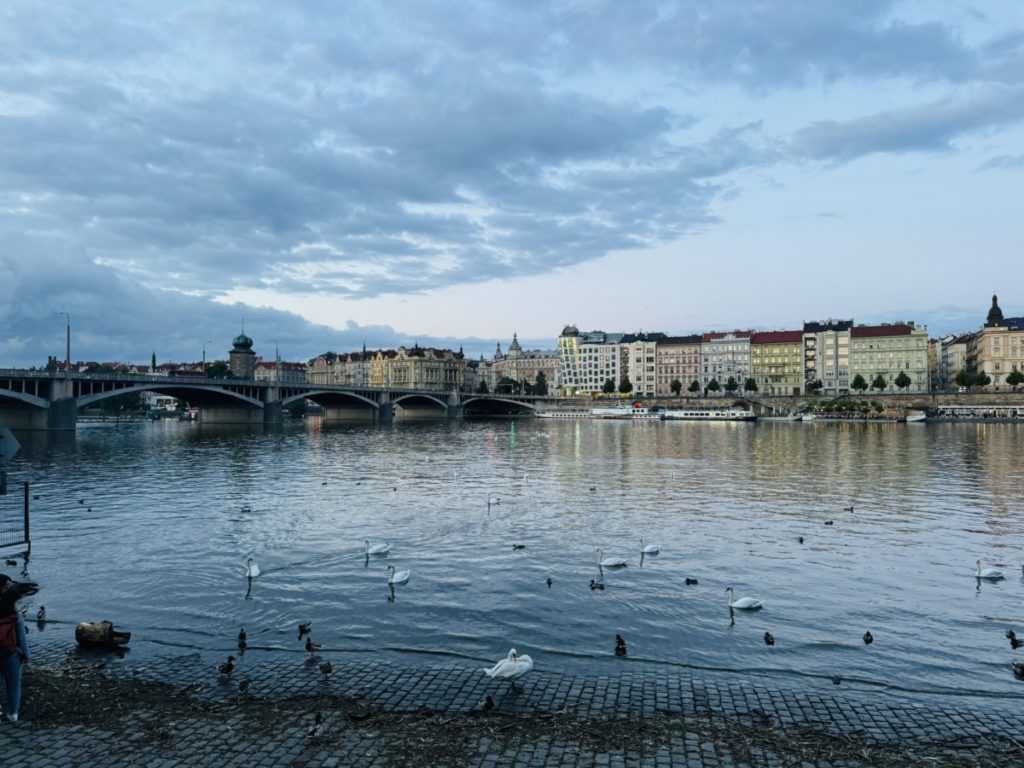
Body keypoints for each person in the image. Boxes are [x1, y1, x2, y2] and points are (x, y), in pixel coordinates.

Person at [0, 573, 29, 723]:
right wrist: (25, 654)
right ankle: (13, 714)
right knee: (14, 685)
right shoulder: (14, 612)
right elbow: (21, 636)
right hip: (11, 653)